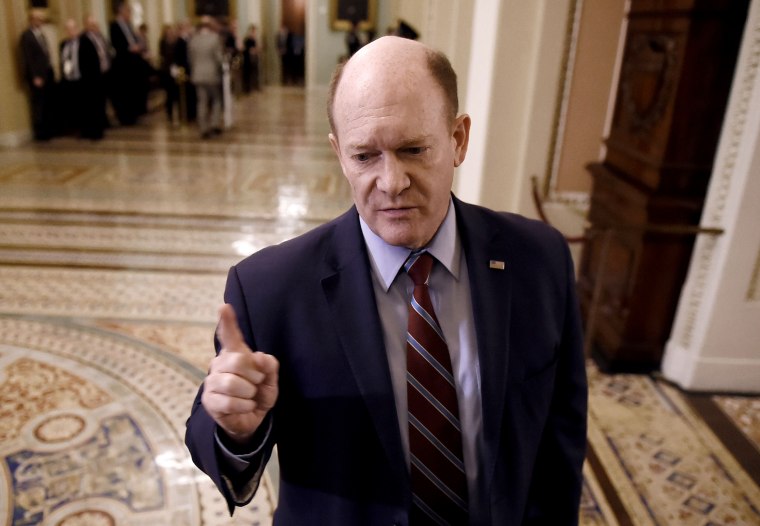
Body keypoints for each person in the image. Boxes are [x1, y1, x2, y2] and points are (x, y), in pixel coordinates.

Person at [185, 36, 587, 525]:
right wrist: (237, 432)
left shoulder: (539, 261)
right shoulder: (270, 287)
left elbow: (560, 440)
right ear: (339, 154)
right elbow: (212, 436)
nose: (391, 181)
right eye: (365, 156)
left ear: (458, 139)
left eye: (413, 149)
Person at [109, 1, 147, 125]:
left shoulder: (129, 25)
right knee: (124, 92)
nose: (129, 13)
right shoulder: (114, 25)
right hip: (123, 63)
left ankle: (134, 113)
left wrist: (139, 45)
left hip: (133, 62)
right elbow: (118, 45)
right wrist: (131, 48)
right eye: (128, 10)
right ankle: (125, 117)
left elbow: (134, 39)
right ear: (121, 11)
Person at [19, 9, 55, 141]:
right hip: (37, 76)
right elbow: (28, 58)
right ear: (31, 20)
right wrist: (35, 76)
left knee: (47, 102)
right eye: (37, 19)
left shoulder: (41, 35)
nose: (40, 21)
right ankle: (40, 133)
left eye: (41, 19)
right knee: (38, 104)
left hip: (46, 72)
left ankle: (49, 129)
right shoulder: (27, 36)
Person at [188, 16, 223, 139]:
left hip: (198, 74)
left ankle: (203, 128)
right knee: (216, 100)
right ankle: (214, 124)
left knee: (201, 101)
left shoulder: (193, 40)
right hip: (211, 74)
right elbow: (218, 58)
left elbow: (191, 59)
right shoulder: (214, 38)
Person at [79, 14, 111, 140]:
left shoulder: (100, 37)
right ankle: (95, 130)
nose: (94, 27)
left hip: (103, 74)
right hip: (92, 78)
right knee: (94, 104)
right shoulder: (83, 39)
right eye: (92, 25)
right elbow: (84, 61)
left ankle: (103, 124)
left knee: (102, 102)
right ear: (86, 25)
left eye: (96, 25)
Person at [58, 18, 82, 136]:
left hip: (81, 78)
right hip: (69, 79)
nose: (71, 31)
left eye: (73, 28)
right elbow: (64, 61)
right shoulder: (63, 44)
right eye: (68, 29)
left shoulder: (83, 42)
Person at [242, 24, 260, 93]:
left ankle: (254, 86)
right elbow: (247, 49)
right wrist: (252, 50)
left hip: (254, 59)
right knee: (248, 74)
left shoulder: (254, 40)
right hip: (248, 60)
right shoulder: (247, 40)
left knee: (254, 73)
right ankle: (247, 88)